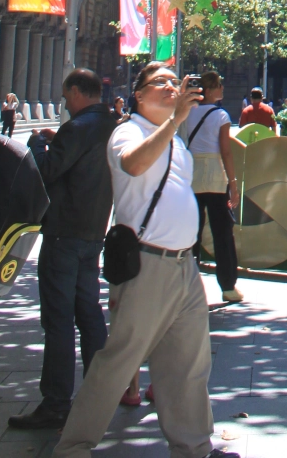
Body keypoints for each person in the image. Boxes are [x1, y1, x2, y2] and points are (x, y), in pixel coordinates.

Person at [50, 62, 221, 458]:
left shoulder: (177, 139)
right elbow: (133, 164)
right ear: (139, 96)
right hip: (148, 265)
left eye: (173, 82)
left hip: (184, 267)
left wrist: (176, 126)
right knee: (117, 363)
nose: (169, 87)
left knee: (188, 367)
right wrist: (175, 121)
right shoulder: (128, 131)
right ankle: (72, 448)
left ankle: (195, 448)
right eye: (158, 82)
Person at [8, 71, 116, 432]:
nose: (65, 103)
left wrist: (38, 143)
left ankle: (56, 402)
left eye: (66, 96)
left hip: (64, 233)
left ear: (75, 91)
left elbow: (48, 169)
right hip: (93, 232)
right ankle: (100, 395)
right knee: (88, 314)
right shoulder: (111, 125)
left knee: (58, 320)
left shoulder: (77, 128)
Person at [184, 73, 242, 304]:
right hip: (215, 175)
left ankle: (188, 285)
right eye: (218, 85)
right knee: (222, 233)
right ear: (208, 91)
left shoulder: (187, 113)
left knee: (192, 233)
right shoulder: (221, 115)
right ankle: (228, 286)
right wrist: (233, 183)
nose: (222, 88)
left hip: (192, 173)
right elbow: (226, 151)